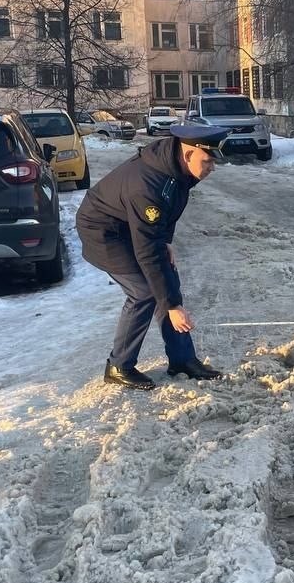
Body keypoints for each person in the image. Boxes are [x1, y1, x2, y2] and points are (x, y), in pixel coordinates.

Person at [76, 124, 230, 389]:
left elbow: (167, 212)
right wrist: (172, 306)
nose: (212, 168)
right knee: (145, 291)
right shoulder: (148, 185)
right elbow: (147, 250)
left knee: (166, 280)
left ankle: (182, 359)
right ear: (188, 154)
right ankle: (118, 366)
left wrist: (166, 242)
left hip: (131, 226)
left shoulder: (174, 168)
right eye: (207, 161)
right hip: (104, 232)